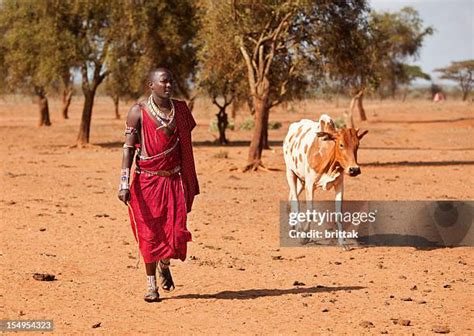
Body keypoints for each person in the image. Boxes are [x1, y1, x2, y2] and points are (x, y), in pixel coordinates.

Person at [118, 68, 199, 302]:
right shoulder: (138, 112)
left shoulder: (181, 111)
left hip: (173, 181)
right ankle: (151, 285)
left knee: (174, 234)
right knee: (149, 235)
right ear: (151, 85)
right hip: (146, 183)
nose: (168, 85)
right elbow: (128, 149)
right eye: (163, 82)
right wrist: (124, 183)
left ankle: (165, 264)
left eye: (171, 81)